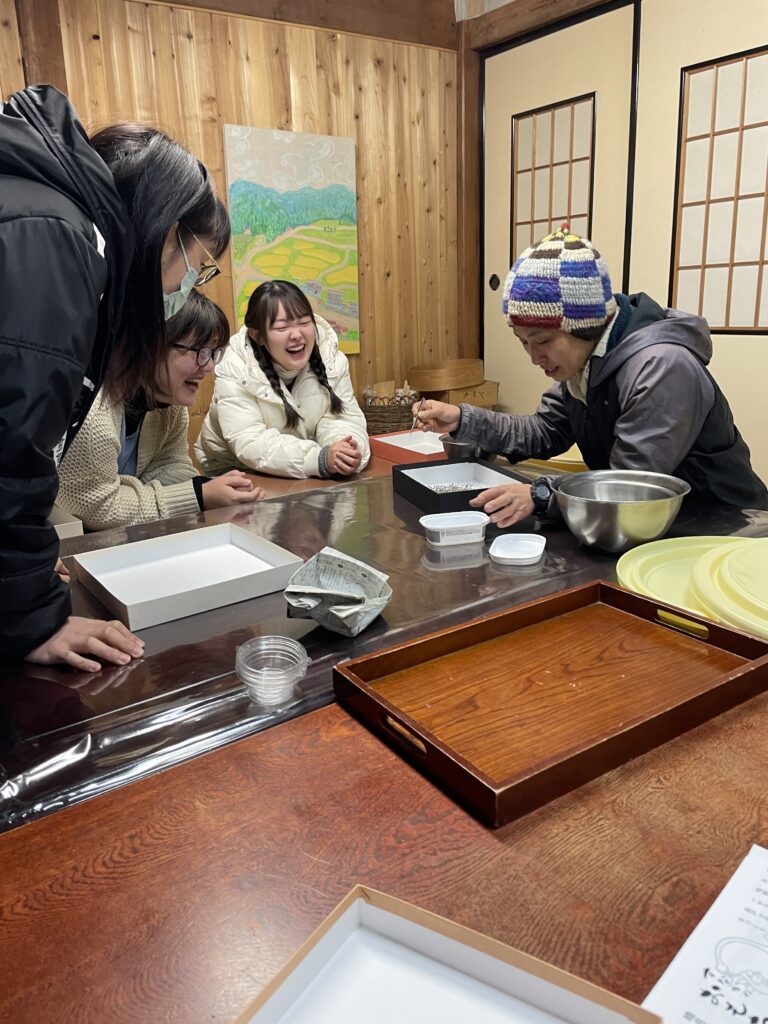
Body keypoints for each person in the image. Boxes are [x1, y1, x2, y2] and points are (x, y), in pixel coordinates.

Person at [0, 84, 230, 671]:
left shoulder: (45, 214)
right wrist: (31, 617)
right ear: (167, 229)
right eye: (197, 268)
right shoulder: (56, 236)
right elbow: (14, 446)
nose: (184, 288)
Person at [415, 225, 768, 527]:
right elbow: (545, 431)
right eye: (523, 342)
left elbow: (629, 485)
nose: (534, 357)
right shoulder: (587, 361)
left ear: (584, 325)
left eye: (542, 341)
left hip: (727, 526)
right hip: (648, 522)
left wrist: (540, 493)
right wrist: (462, 419)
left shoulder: (661, 367)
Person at [55, 291, 265, 531]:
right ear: (150, 346)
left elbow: (170, 466)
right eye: (200, 352)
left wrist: (211, 489)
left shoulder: (170, 405)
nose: (208, 366)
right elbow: (99, 508)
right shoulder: (94, 416)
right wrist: (198, 495)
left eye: (214, 353)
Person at [196, 280, 370, 479]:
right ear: (258, 336)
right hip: (234, 471)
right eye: (282, 328)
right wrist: (319, 458)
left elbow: (341, 419)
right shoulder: (235, 367)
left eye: (304, 323)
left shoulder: (331, 359)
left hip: (307, 469)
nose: (296, 334)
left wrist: (344, 450)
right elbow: (250, 441)